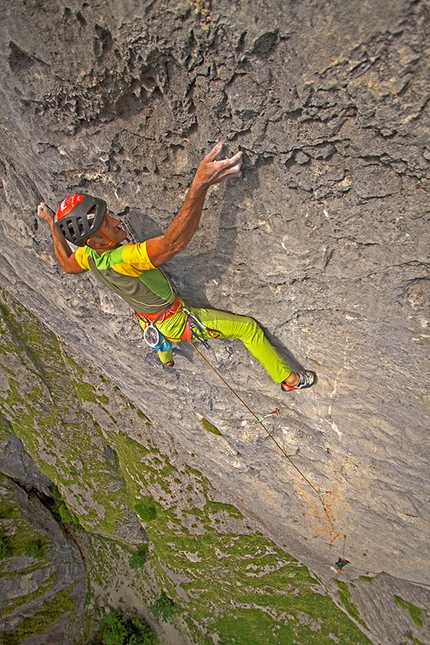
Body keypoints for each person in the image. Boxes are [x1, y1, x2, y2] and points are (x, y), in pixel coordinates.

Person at [37, 142, 315, 392]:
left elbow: (67, 265)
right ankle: (288, 380)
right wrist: (200, 185)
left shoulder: (88, 255)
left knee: (160, 339)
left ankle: (166, 358)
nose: (116, 221)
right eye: (107, 223)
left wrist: (52, 224)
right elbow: (173, 242)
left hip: (148, 318)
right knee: (248, 329)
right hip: (175, 321)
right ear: (96, 240)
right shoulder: (125, 258)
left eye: (108, 215)